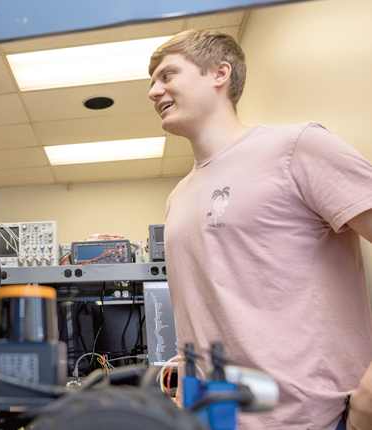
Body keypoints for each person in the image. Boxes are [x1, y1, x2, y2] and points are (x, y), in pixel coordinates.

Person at [147, 29, 372, 430]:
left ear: (219, 73)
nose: (153, 91)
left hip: (309, 420)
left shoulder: (296, 148)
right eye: (152, 81)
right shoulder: (178, 196)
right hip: (211, 419)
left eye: (167, 75)